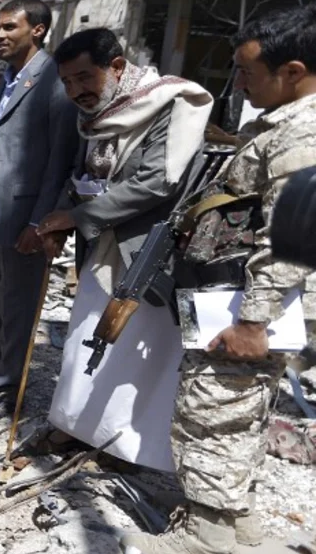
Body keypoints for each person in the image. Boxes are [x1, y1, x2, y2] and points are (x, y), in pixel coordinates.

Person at [114, 5, 316, 554]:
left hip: (249, 305)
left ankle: (209, 542)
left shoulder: (302, 134)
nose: (239, 84)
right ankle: (233, 514)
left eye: (248, 72)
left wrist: (253, 323)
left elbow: (288, 239)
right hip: (245, 298)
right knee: (243, 411)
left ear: (293, 70)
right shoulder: (285, 119)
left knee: (212, 413)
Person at [36, 27, 213, 471]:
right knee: (84, 341)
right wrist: (65, 216)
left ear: (116, 68)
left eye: (84, 78)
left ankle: (122, 448)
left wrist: (77, 218)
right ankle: (74, 427)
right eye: (67, 83)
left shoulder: (174, 103)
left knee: (135, 354)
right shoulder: (100, 114)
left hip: (146, 252)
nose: (76, 91)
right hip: (102, 249)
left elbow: (159, 179)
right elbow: (85, 177)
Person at [0, 0, 79, 396]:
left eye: (9, 27)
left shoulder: (52, 80)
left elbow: (60, 159)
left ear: (37, 30)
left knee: (17, 303)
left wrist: (41, 222)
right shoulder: (9, 79)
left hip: (25, 215)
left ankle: (9, 381)